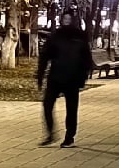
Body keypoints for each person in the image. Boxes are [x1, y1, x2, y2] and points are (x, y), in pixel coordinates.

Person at [37, 9, 95, 147]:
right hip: (56, 76)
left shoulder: (80, 36)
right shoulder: (56, 36)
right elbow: (45, 56)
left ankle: (69, 137)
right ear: (61, 20)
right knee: (47, 105)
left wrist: (83, 77)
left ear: (73, 20)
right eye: (65, 19)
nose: (67, 21)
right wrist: (40, 75)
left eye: (69, 19)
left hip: (73, 78)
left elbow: (86, 58)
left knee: (71, 108)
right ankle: (50, 134)